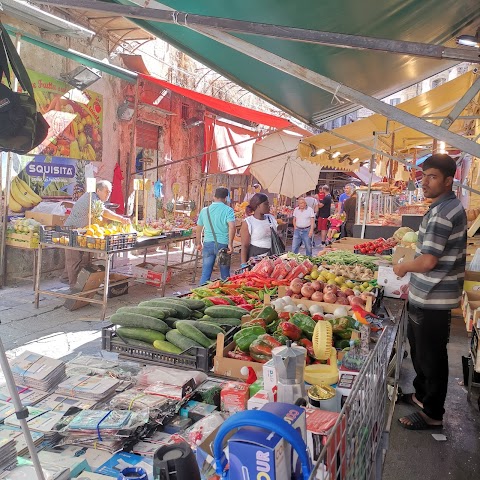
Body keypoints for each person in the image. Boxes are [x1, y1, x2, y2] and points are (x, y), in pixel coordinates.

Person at [393, 154, 466, 431]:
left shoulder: (445, 212)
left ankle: (433, 413)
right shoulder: (441, 207)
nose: (425, 182)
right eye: (424, 176)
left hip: (435, 299)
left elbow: (428, 261)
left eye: (432, 177)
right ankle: (421, 396)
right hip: (426, 295)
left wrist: (402, 268)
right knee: (421, 353)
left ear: (449, 181)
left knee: (432, 357)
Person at [62, 180, 131, 287]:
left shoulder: (95, 198)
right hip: (72, 230)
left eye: (110, 192)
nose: (108, 194)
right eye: (106, 191)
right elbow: (103, 212)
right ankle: (73, 288)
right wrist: (121, 219)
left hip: (83, 231)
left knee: (79, 259)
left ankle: (68, 280)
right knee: (74, 259)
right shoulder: (91, 197)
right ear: (98, 190)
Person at [196, 187, 235, 284]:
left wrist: (199, 243)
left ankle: (200, 295)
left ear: (214, 196)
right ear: (226, 198)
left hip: (208, 244)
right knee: (225, 275)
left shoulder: (205, 210)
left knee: (205, 273)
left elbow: (199, 229)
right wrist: (230, 243)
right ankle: (225, 296)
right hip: (223, 245)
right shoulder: (228, 210)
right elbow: (232, 227)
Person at [240, 193, 277, 265]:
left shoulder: (271, 218)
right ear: (258, 206)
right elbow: (244, 245)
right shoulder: (248, 222)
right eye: (266, 204)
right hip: (256, 258)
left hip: (272, 257)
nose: (268, 206)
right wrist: (243, 264)